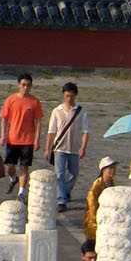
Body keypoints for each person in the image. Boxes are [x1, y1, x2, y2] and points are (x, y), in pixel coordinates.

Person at [45, 81, 88, 212]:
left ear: (75, 96)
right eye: (67, 95)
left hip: (74, 148)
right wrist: (48, 148)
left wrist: (83, 147)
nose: (69, 98)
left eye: (72, 96)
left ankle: (66, 190)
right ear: (63, 95)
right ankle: (61, 200)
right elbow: (51, 131)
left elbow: (86, 131)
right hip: (59, 148)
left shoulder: (81, 111)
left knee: (74, 174)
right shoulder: (56, 111)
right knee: (59, 174)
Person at [1, 73, 44, 202]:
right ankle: (13, 179)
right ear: (19, 85)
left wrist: (37, 139)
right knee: (10, 166)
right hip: (12, 138)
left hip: (27, 140)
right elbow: (4, 118)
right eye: (23, 85)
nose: (25, 88)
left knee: (24, 167)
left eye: (28, 85)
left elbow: (38, 121)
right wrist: (3, 135)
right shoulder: (11, 100)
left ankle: (21, 192)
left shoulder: (34, 102)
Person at [83, 156, 116, 240]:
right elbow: (92, 204)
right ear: (103, 170)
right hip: (95, 220)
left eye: (114, 168)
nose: (113, 170)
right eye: (110, 168)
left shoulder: (110, 182)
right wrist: (96, 220)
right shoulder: (97, 185)